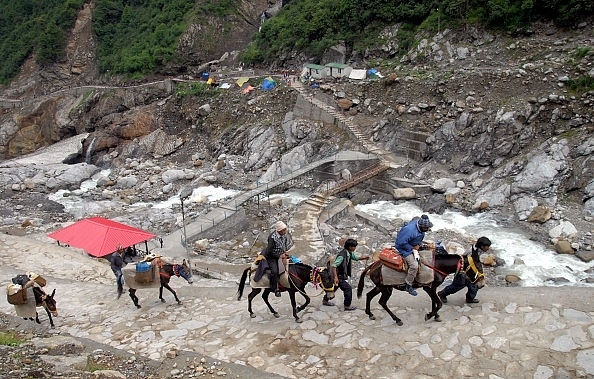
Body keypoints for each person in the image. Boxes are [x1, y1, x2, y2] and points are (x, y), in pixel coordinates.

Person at [438, 236, 491, 304]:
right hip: (463, 272)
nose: (488, 248)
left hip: (472, 272)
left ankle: (470, 298)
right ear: (482, 246)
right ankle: (442, 293)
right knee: (457, 286)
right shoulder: (473, 252)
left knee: (474, 286)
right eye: (487, 246)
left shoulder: (476, 250)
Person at [323, 238, 370, 311]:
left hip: (340, 276)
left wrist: (364, 258)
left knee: (333, 288)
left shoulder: (349, 253)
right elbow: (334, 266)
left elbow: (356, 258)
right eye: (354, 247)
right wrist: (335, 278)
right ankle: (347, 306)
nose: (355, 248)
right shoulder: (342, 255)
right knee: (348, 289)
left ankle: (325, 300)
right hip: (339, 276)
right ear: (350, 247)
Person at [395, 214, 433, 296]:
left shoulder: (420, 228)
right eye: (426, 228)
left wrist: (418, 245)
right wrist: (412, 248)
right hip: (404, 248)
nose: (428, 229)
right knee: (414, 266)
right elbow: (400, 242)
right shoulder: (409, 230)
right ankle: (408, 285)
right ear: (421, 226)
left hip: (413, 245)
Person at [264, 221, 294, 297]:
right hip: (272, 257)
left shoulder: (284, 235)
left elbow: (284, 244)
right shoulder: (272, 238)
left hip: (282, 254)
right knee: (275, 271)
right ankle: (275, 288)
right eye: (284, 230)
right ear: (279, 230)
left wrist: (285, 252)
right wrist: (279, 256)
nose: (285, 231)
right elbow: (269, 251)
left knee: (293, 264)